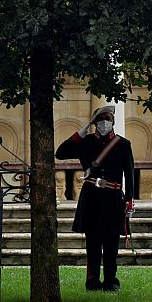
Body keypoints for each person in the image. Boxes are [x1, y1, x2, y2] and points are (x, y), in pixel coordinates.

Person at [55, 105, 134, 292]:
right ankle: (92, 281)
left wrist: (129, 200)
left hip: (114, 197)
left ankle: (110, 281)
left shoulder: (123, 144)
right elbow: (61, 153)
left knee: (112, 242)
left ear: (113, 121)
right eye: (100, 119)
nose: (104, 122)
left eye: (108, 119)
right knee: (92, 242)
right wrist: (81, 133)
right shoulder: (86, 142)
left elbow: (129, 175)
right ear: (94, 123)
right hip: (91, 196)